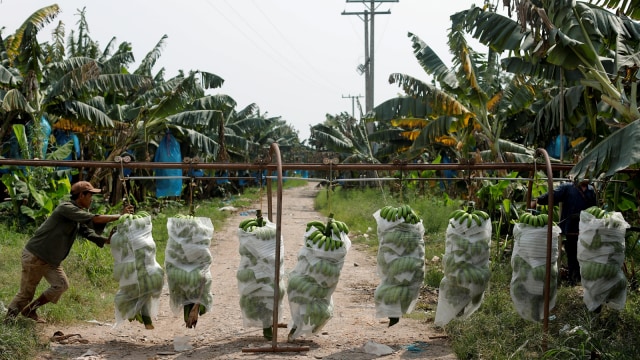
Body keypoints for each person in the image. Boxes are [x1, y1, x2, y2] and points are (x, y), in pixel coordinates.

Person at [3, 181, 134, 323]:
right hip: (37, 256)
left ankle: (30, 310)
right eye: (90, 196)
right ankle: (8, 323)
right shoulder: (66, 208)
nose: (92, 200)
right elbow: (95, 219)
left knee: (61, 285)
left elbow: (88, 233)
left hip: (51, 260)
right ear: (81, 195)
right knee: (25, 294)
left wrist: (107, 240)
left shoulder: (77, 214)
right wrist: (121, 216)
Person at [532, 179, 597, 285]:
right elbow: (553, 195)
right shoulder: (568, 187)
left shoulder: (591, 190)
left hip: (586, 228)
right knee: (572, 253)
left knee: (585, 253)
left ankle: (583, 278)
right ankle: (573, 278)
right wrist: (538, 200)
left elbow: (594, 208)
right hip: (570, 227)